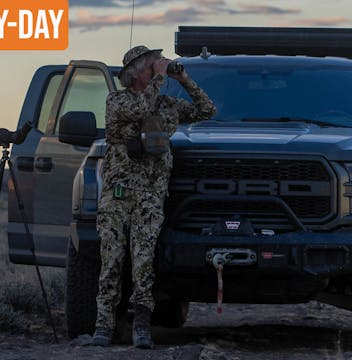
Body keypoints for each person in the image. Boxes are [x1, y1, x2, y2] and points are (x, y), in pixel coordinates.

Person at [92, 45, 216, 349]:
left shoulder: (167, 104)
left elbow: (206, 110)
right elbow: (140, 110)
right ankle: (103, 327)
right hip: (119, 194)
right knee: (111, 260)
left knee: (144, 262)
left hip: (151, 194)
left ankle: (141, 326)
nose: (157, 68)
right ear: (135, 72)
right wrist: (160, 79)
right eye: (152, 65)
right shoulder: (118, 101)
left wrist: (184, 78)